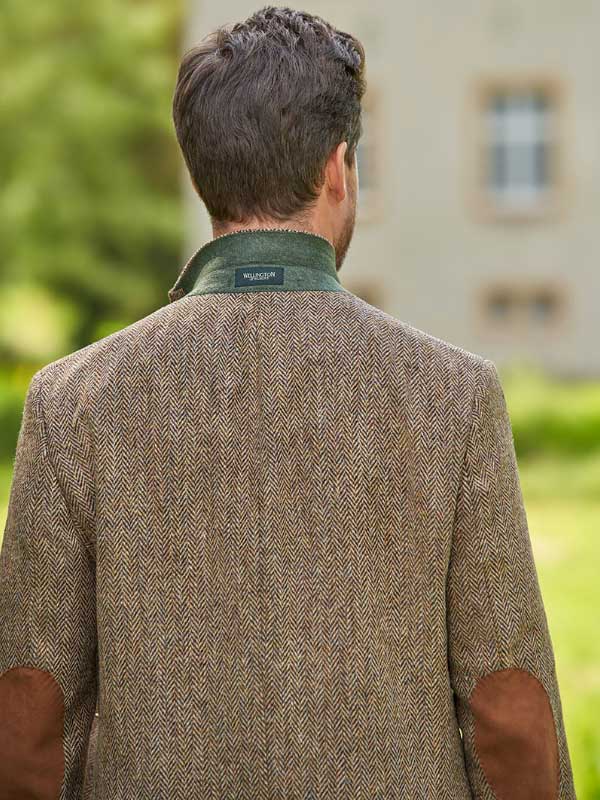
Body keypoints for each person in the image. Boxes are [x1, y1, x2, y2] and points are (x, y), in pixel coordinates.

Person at [0, 5, 576, 799]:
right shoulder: (455, 396)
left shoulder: (72, 404)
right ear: (339, 169)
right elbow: (508, 709)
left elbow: (30, 717)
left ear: (202, 175)